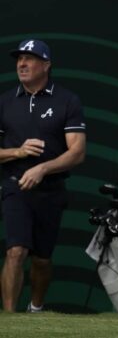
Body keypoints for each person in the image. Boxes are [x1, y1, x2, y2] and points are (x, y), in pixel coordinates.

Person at [0, 39, 87, 312]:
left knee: (41, 259)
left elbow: (77, 152)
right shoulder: (5, 102)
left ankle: (36, 308)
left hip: (51, 189)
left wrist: (43, 168)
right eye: (19, 59)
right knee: (15, 251)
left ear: (46, 64)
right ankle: (10, 317)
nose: (22, 64)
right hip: (15, 187)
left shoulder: (66, 100)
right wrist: (18, 153)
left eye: (30, 59)